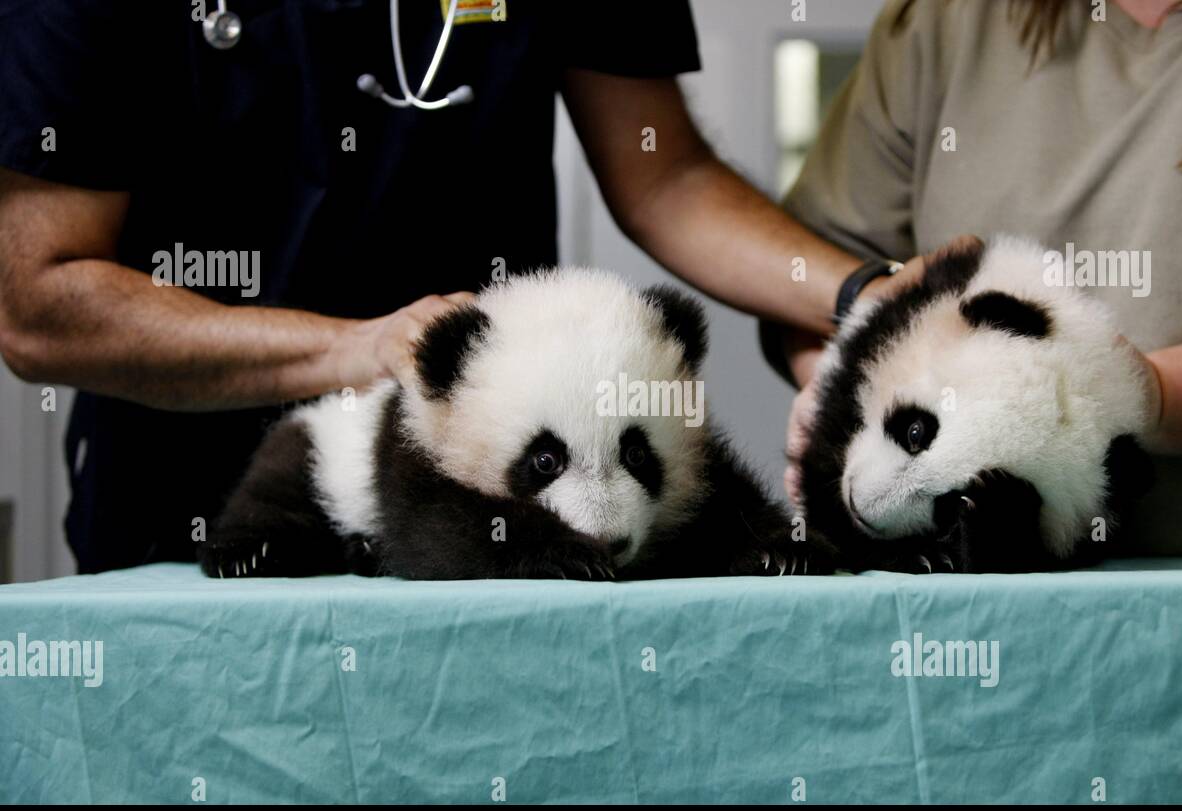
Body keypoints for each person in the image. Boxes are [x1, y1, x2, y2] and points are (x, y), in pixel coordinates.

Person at [0, 1, 865, 572]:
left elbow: (666, 175)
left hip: (509, 480)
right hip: (181, 493)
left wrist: (866, 297)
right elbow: (39, 304)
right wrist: (360, 348)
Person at [776, 0, 1182, 555]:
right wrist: (840, 385)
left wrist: (1152, 397)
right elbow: (808, 272)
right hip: (941, 587)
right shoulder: (942, 21)